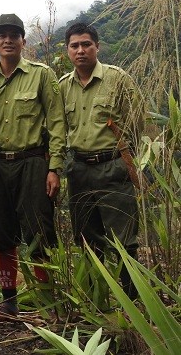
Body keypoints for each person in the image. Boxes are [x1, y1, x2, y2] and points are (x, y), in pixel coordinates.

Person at [0, 13, 66, 320]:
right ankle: (8, 300)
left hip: (33, 162)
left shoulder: (42, 75)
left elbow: (57, 122)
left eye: (13, 35)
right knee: (1, 235)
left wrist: (54, 167)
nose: (7, 39)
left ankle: (46, 300)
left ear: (22, 41)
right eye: (1, 35)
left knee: (39, 232)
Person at [59, 22, 144, 300]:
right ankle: (97, 301)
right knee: (86, 239)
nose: (81, 50)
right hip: (78, 169)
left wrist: (122, 157)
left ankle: (131, 302)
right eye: (75, 45)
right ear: (67, 51)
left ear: (97, 47)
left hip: (112, 166)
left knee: (124, 240)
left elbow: (136, 122)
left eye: (86, 44)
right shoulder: (62, 87)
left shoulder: (117, 79)